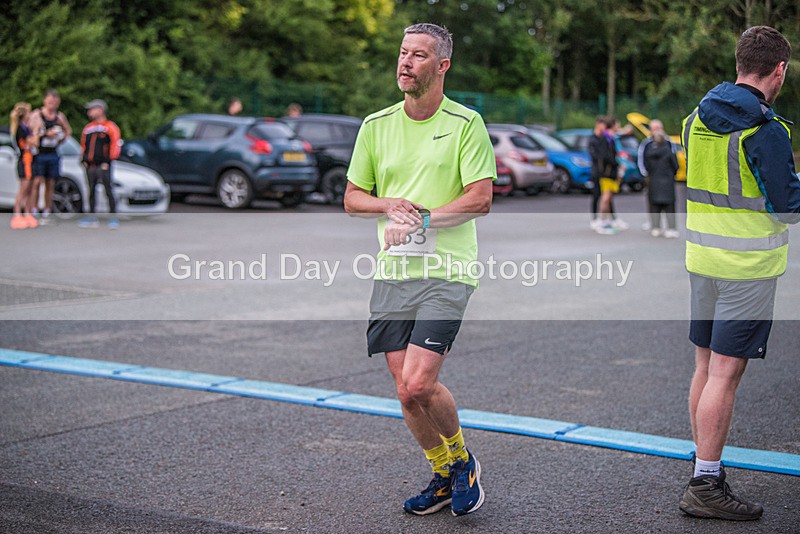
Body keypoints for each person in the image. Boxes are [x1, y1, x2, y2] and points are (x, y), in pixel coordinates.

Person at [344, 23, 495, 517]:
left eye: (420, 56)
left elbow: (480, 198)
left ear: (442, 66)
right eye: (404, 53)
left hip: (447, 269)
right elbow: (352, 198)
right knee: (404, 393)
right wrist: (388, 205)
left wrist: (419, 222)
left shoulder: (466, 123)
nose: (406, 62)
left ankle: (464, 461)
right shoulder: (376, 125)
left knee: (418, 383)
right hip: (394, 271)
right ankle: (445, 472)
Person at [680, 26, 800, 521]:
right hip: (746, 269)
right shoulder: (767, 132)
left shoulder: (693, 119)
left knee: (705, 369)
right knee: (726, 376)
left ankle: (702, 462)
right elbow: (787, 207)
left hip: (702, 264)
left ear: (738, 63)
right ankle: (706, 483)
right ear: (780, 69)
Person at [28, 89, 72, 221]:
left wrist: (60, 139)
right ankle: (34, 208)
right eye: (50, 101)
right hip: (40, 152)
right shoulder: (37, 115)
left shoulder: (59, 117)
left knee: (50, 182)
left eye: (55, 101)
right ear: (45, 101)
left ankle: (47, 209)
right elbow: (29, 133)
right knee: (37, 181)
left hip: (53, 152)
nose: (52, 103)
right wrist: (45, 133)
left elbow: (68, 131)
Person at [78, 99, 122, 229]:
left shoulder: (110, 127)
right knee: (91, 190)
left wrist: (108, 161)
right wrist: (84, 160)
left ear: (100, 110)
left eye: (92, 109)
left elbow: (115, 145)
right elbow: (83, 145)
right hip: (90, 165)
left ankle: (113, 216)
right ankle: (91, 215)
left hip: (104, 164)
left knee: (108, 189)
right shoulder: (88, 128)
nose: (89, 112)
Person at [639, 120, 679, 238]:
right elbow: (675, 165)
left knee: (654, 204)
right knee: (669, 205)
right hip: (667, 181)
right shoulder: (668, 148)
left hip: (653, 180)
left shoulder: (648, 149)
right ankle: (671, 228)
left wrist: (648, 175)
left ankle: (655, 227)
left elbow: (644, 162)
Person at [9, 102, 38, 230]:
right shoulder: (20, 129)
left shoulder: (26, 128)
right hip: (24, 161)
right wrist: (37, 132)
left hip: (31, 160)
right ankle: (17, 214)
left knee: (30, 188)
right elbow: (33, 142)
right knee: (23, 189)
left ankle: (27, 213)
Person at [588, 116, 617, 234]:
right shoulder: (593, 139)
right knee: (598, 195)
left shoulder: (604, 138)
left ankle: (610, 219)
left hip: (605, 172)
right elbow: (598, 155)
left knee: (607, 196)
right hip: (598, 171)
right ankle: (596, 219)